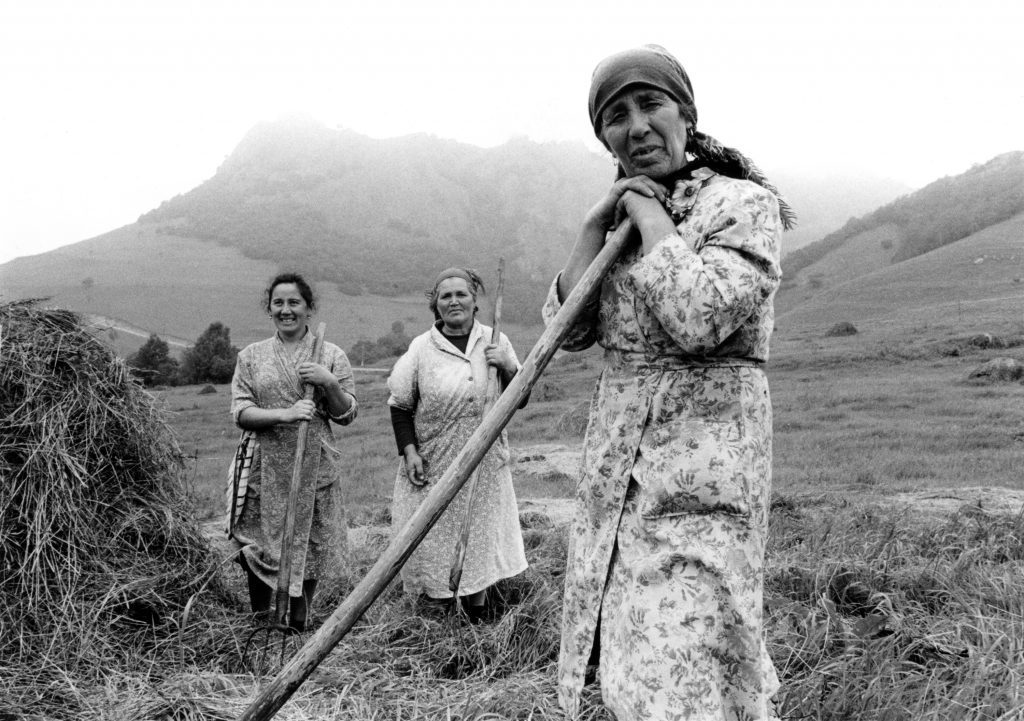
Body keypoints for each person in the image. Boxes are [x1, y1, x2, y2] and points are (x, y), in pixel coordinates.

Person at [544, 45, 795, 720]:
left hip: (702, 475)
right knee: (621, 654)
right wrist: (596, 227)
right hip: (616, 477)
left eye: (650, 104)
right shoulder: (618, 220)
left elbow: (699, 314)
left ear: (686, 112)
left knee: (683, 655)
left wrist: (652, 222)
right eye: (616, 116)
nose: (637, 126)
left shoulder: (741, 204)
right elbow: (567, 334)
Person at [387, 267, 528, 619]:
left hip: (484, 462)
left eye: (461, 294)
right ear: (435, 304)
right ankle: (435, 623)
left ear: (474, 300)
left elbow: (520, 399)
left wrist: (508, 367)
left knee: (478, 543)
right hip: (434, 462)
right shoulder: (422, 348)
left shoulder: (496, 340)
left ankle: (476, 622)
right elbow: (400, 404)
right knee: (431, 543)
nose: (453, 301)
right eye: (445, 296)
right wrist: (409, 451)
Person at [229, 272, 358, 632]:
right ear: (269, 309)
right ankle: (260, 618)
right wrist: (285, 414)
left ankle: (299, 621)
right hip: (263, 465)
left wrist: (328, 382)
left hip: (315, 464)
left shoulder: (331, 355)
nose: (286, 310)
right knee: (255, 544)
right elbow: (240, 412)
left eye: (294, 303)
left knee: (311, 542)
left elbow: (347, 414)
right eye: (278, 303)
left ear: (308, 308)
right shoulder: (251, 356)